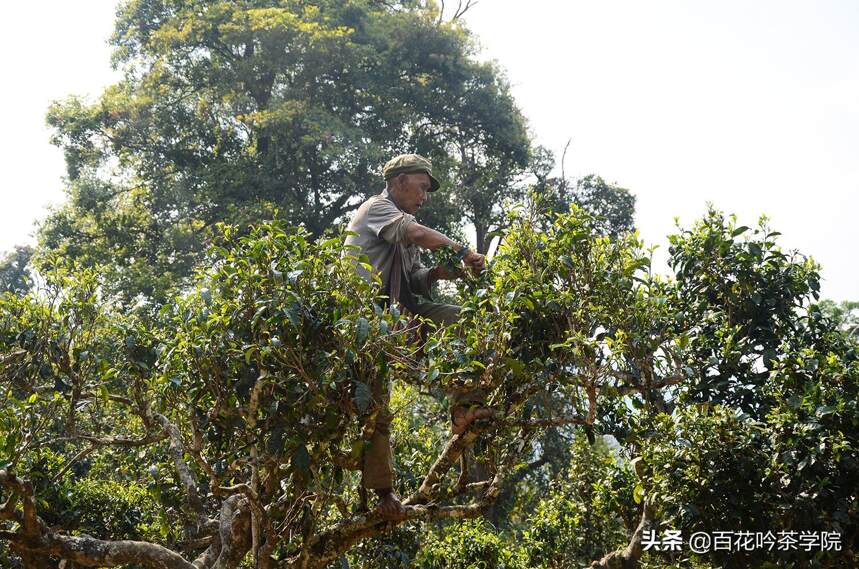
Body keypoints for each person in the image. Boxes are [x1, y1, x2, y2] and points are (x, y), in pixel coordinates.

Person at [344, 153, 492, 518]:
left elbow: (414, 282)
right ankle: (383, 493)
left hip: (399, 313)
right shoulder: (376, 209)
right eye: (421, 187)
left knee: (471, 320)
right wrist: (461, 250)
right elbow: (415, 233)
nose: (424, 196)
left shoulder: (406, 227)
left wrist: (448, 271)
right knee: (377, 405)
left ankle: (463, 405)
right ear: (398, 182)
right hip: (365, 322)